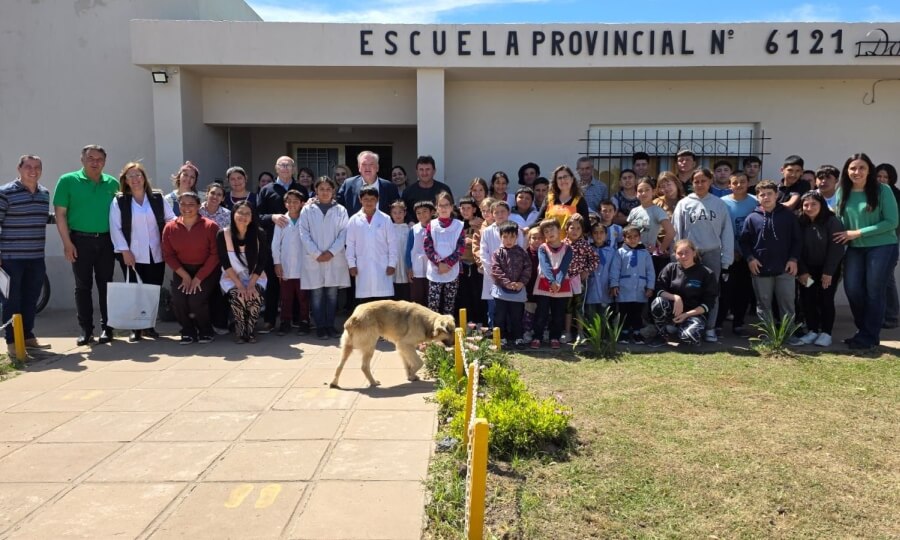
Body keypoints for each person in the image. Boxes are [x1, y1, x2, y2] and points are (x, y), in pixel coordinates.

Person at [54, 144, 120, 346]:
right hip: (79, 240)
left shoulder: (112, 183)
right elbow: (60, 214)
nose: (95, 162)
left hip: (106, 240)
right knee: (82, 286)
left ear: (105, 161)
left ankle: (107, 328)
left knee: (106, 285)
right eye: (90, 158)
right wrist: (67, 243)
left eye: (99, 159)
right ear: (82, 160)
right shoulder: (67, 181)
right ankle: (86, 330)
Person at [833, 153, 899, 350]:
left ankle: (868, 335)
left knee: (874, 292)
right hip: (854, 248)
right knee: (852, 290)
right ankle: (865, 331)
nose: (857, 172)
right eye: (853, 168)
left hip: (882, 247)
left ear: (869, 170)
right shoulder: (842, 191)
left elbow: (892, 222)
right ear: (847, 171)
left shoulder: (883, 190)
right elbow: (839, 221)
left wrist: (857, 232)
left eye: (862, 167)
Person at [109, 162, 175, 342]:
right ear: (125, 180)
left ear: (144, 178)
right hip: (131, 253)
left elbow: (171, 220)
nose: (135, 179)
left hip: (155, 252)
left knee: (152, 290)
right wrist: (124, 251)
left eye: (138, 175)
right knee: (135, 291)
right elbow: (115, 228)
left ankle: (149, 326)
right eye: (131, 176)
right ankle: (135, 329)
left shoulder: (157, 198)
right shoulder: (120, 201)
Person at [672, 168, 734, 343]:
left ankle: (710, 328)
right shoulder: (684, 203)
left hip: (712, 253)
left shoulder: (719, 204)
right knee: (685, 290)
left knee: (712, 292)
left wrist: (726, 260)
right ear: (692, 183)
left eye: (703, 181)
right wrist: (676, 255)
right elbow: (677, 232)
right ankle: (683, 324)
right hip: (688, 254)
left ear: (710, 182)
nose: (700, 184)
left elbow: (727, 233)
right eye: (696, 181)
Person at [739, 180, 803, 344]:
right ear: (758, 197)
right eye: (762, 194)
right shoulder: (752, 218)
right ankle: (768, 335)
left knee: (787, 303)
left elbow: (797, 240)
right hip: (760, 269)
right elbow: (744, 242)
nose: (766, 197)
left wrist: (793, 259)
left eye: (769, 194)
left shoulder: (788, 216)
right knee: (763, 303)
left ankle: (789, 334)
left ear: (777, 195)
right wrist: (750, 259)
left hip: (785, 268)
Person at [0, 155, 52, 355]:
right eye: (28, 166)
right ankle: (13, 343)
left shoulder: (44, 194)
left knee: (31, 297)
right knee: (12, 300)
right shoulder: (5, 193)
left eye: (37, 167)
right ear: (19, 168)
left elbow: (42, 219)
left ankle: (28, 337)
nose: (33, 170)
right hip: (11, 259)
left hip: (36, 257)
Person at [161, 191, 220, 345]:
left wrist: (199, 277)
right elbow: (168, 255)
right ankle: (187, 331)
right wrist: (185, 276)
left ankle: (206, 330)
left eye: (191, 204)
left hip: (206, 270)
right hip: (182, 270)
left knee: (196, 300)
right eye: (183, 204)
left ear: (199, 206)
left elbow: (215, 254)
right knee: (178, 300)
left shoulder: (210, 226)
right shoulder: (170, 227)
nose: (187, 207)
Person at [257, 155, 305, 333]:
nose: (285, 168)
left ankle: (296, 319)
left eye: (288, 165)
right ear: (276, 168)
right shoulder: (267, 189)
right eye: (281, 165)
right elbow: (257, 216)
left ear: (293, 168)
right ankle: (270, 320)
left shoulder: (300, 189)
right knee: (274, 284)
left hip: (298, 245)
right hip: (273, 244)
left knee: (297, 285)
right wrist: (273, 217)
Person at [299, 177, 350, 339]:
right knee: (317, 295)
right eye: (322, 189)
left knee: (332, 295)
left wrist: (331, 252)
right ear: (316, 190)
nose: (325, 192)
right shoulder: (307, 210)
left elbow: (344, 233)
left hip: (334, 258)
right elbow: (304, 233)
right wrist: (316, 253)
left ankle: (330, 325)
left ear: (333, 191)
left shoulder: (341, 210)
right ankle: (320, 326)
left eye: (328, 189)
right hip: (314, 258)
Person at [796, 191, 846, 347]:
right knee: (808, 298)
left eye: (814, 204)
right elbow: (796, 248)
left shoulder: (832, 221)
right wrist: (802, 271)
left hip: (827, 270)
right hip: (808, 271)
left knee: (825, 299)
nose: (809, 207)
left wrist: (828, 273)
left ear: (821, 205)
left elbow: (836, 248)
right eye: (806, 205)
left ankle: (826, 333)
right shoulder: (799, 222)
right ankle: (812, 330)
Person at [648, 239, 719, 347]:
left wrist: (686, 315)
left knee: (689, 338)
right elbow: (659, 290)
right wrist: (676, 298)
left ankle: (679, 330)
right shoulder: (670, 268)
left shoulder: (706, 273)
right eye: (680, 253)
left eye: (687, 252)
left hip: (694, 314)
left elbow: (708, 304)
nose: (683, 256)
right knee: (658, 302)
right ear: (675, 254)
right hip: (673, 312)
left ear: (694, 253)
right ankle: (662, 334)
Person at [218, 201, 269, 344]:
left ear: (252, 217)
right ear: (234, 214)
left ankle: (250, 330)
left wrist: (252, 283)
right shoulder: (223, 234)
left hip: (255, 276)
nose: (243, 216)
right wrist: (239, 285)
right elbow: (225, 262)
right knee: (238, 296)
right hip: (232, 277)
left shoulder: (259, 234)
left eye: (248, 213)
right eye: (240, 212)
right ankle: (240, 330)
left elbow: (262, 261)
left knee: (255, 296)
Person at [719, 172, 758, 337]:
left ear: (748, 183)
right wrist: (729, 250)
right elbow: (718, 229)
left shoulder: (755, 201)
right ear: (729, 185)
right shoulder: (722, 203)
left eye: (743, 182)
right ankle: (718, 324)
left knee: (744, 291)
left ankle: (739, 324)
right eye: (735, 182)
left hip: (749, 256)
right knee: (725, 291)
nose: (739, 185)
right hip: (728, 254)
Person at [476, 200, 524, 328]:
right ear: (492, 214)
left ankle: (510, 335)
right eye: (496, 212)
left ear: (508, 213)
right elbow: (484, 254)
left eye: (503, 211)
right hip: (493, 276)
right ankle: (495, 334)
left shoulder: (516, 229)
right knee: (494, 308)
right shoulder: (487, 232)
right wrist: (494, 272)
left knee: (511, 308)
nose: (500, 214)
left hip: (512, 277)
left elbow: (521, 252)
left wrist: (511, 274)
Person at [346, 185, 397, 302]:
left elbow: (392, 243)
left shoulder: (385, 219)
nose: (369, 202)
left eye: (372, 199)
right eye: (365, 199)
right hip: (362, 267)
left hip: (383, 267)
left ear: (377, 199)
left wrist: (392, 263)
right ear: (360, 200)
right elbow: (350, 244)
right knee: (365, 305)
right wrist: (351, 264)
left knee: (383, 304)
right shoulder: (354, 220)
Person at [530, 218, 573, 350]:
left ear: (559, 230)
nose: (549, 233)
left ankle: (555, 337)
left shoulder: (568, 248)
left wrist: (558, 282)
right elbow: (545, 265)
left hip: (562, 285)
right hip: (544, 283)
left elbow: (564, 267)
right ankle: (537, 337)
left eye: (552, 229)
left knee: (558, 314)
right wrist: (551, 281)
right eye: (546, 231)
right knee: (541, 312)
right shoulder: (543, 248)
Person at [610, 225, 655, 344]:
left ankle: (636, 333)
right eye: (629, 237)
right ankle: (623, 334)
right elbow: (615, 269)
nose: (633, 239)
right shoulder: (620, 252)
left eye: (635, 236)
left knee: (637, 312)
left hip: (640, 289)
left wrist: (650, 286)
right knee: (624, 312)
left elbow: (650, 271)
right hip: (624, 289)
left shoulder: (645, 253)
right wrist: (614, 284)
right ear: (624, 238)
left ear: (639, 237)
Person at [491, 221, 532, 348]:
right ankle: (500, 338)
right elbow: (496, 269)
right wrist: (507, 283)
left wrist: (521, 282)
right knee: (500, 316)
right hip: (501, 291)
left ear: (517, 237)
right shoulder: (497, 253)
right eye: (505, 237)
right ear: (500, 237)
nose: (508, 240)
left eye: (512, 237)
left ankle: (518, 338)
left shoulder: (522, 252)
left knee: (517, 316)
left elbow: (528, 268)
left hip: (518, 290)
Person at [271, 190, 306, 336]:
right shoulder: (281, 221)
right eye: (289, 201)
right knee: (286, 297)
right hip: (285, 266)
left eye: (295, 201)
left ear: (302, 203)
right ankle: (285, 321)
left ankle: (304, 321)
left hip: (303, 267)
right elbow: (275, 245)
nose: (292, 204)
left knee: (303, 297)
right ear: (285, 203)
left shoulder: (306, 219)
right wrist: (277, 263)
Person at [424, 191, 465, 315]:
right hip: (436, 269)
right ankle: (433, 331)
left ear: (452, 207)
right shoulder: (431, 225)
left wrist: (448, 263)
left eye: (446, 205)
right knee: (433, 303)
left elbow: (461, 247)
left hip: (451, 269)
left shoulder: (458, 225)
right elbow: (428, 246)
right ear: (436, 207)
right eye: (440, 205)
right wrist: (439, 263)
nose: (443, 208)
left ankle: (447, 331)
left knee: (449, 303)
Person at [198, 182, 231, 334]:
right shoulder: (197, 211)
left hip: (219, 259)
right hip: (199, 258)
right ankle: (202, 325)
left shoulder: (227, 214)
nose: (215, 197)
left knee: (219, 292)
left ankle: (220, 323)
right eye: (212, 193)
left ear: (223, 198)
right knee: (202, 293)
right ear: (207, 194)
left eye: (219, 194)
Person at [627, 178, 674, 277]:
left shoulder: (657, 211)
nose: (643, 193)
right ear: (636, 193)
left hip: (648, 256)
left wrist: (659, 251)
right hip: (632, 254)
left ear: (653, 191)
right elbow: (628, 233)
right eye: (640, 191)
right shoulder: (634, 211)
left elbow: (671, 232)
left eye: (647, 190)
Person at [563, 214, 598, 341]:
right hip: (565, 280)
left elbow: (594, 259)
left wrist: (587, 271)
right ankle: (567, 332)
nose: (575, 231)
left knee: (579, 306)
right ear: (566, 229)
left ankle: (580, 333)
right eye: (572, 228)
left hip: (579, 280)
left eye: (578, 228)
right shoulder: (562, 244)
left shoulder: (585, 245)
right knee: (567, 306)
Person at [874, 162, 900, 329]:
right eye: (879, 176)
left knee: (887, 279)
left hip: (889, 241)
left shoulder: (896, 195)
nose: (882, 180)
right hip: (870, 241)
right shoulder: (869, 193)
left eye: (886, 177)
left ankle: (891, 316)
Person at [337, 150, 400, 216]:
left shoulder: (390, 187)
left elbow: (400, 209)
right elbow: (337, 207)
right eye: (364, 164)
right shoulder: (348, 185)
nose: (367, 168)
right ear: (359, 167)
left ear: (377, 167)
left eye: (371, 164)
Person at [535, 165, 591, 232]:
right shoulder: (549, 198)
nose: (563, 180)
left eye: (565, 177)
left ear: (572, 179)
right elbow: (538, 222)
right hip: (550, 241)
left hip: (570, 242)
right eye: (559, 178)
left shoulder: (579, 200)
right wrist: (527, 229)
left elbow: (587, 228)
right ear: (556, 181)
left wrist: (580, 219)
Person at [456, 196, 485, 324]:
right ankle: (465, 322)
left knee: (477, 293)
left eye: (468, 208)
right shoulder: (457, 224)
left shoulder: (480, 223)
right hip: (461, 263)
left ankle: (479, 322)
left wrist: (472, 241)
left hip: (475, 263)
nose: (466, 211)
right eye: (463, 208)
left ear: (474, 209)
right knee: (463, 294)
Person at [401, 155, 453, 222]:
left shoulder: (444, 189)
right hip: (415, 229)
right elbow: (402, 212)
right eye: (421, 170)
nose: (424, 173)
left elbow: (451, 211)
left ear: (434, 171)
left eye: (428, 169)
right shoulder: (408, 192)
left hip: (441, 229)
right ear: (417, 172)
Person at [584, 222, 615, 322]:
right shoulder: (587, 250)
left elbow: (614, 270)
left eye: (601, 232)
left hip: (606, 287)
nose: (598, 235)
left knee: (605, 316)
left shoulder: (612, 251)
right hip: (590, 287)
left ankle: (604, 336)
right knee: (591, 316)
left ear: (606, 235)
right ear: (591, 235)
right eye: (595, 233)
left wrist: (613, 284)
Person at [406, 200, 434, 307]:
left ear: (431, 212)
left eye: (425, 211)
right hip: (417, 269)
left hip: (432, 269)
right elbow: (408, 250)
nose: (422, 215)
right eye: (418, 213)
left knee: (430, 296)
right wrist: (409, 268)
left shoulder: (436, 228)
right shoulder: (414, 229)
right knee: (417, 297)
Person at [390, 200, 411, 301]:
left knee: (406, 288)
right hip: (394, 262)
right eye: (394, 212)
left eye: (400, 212)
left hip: (405, 261)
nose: (397, 215)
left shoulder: (409, 229)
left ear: (405, 213)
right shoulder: (389, 228)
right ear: (391, 214)